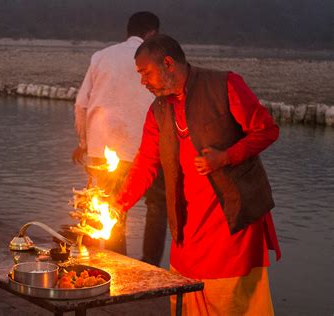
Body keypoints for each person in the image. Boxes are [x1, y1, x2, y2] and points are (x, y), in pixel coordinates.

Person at [115, 34, 281, 315]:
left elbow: (267, 130)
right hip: (187, 229)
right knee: (187, 299)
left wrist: (226, 157)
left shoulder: (225, 85)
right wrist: (119, 204)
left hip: (232, 223)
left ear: (168, 63)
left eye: (146, 73)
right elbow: (146, 163)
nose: (142, 81)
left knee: (231, 304)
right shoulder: (158, 109)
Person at [71, 12, 167, 264]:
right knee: (157, 207)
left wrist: (84, 143)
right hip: (145, 149)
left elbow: (81, 104)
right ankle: (150, 264)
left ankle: (116, 262)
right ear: (152, 34)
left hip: (102, 148)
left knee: (108, 207)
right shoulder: (157, 61)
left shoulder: (101, 57)